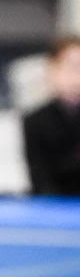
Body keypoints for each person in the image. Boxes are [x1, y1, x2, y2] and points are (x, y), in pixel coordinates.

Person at [21, 35, 80, 196]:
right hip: (50, 209)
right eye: (71, 67)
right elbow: (40, 178)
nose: (76, 75)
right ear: (53, 70)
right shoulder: (35, 121)